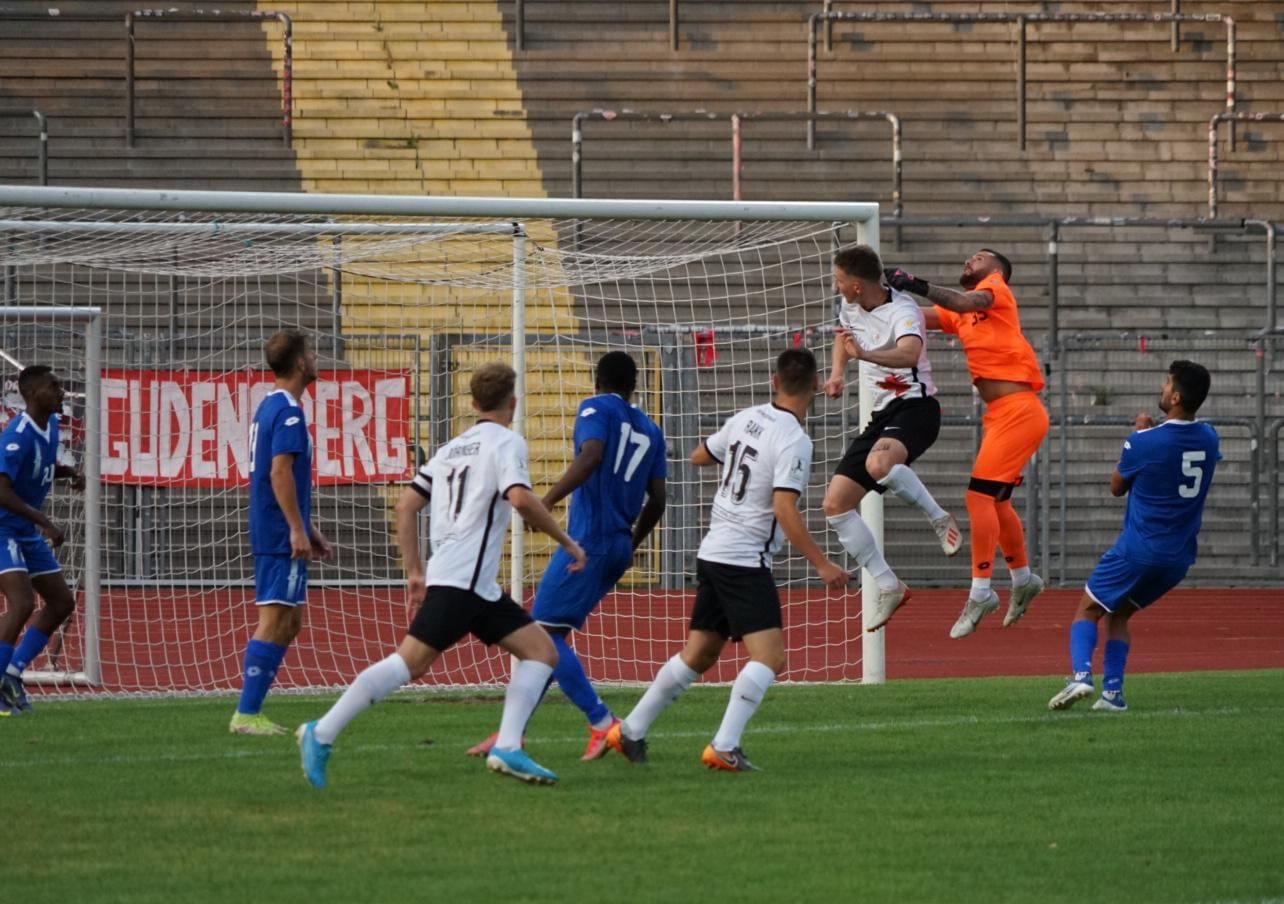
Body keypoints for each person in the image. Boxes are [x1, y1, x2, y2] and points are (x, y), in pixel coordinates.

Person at [296, 362, 587, 788]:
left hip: (474, 585)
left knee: (542, 652)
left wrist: (416, 570)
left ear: (473, 403)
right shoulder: (507, 442)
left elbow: (406, 506)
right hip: (462, 582)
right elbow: (521, 499)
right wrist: (566, 541)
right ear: (513, 402)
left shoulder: (451, 448)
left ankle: (508, 746)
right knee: (409, 664)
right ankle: (321, 732)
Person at [605, 348, 850, 772]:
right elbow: (784, 509)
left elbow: (701, 455)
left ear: (775, 381)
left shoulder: (746, 417)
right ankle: (724, 746)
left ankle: (629, 730)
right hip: (743, 558)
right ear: (814, 384)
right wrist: (822, 564)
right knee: (770, 658)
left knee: (699, 654)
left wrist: (738, 454)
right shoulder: (794, 440)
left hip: (714, 550)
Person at [466, 351, 666, 761]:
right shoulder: (651, 429)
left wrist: (548, 501)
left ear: (597, 382)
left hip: (589, 539)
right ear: (634, 386)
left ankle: (601, 721)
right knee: (544, 639)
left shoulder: (595, 408)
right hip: (618, 542)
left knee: (540, 636)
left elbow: (591, 455)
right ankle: (511, 734)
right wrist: (632, 544)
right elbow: (659, 499)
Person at [884, 249, 1048, 638]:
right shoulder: (963, 312)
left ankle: (981, 592)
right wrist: (876, 302)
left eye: (978, 257)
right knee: (997, 501)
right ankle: (1023, 579)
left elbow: (964, 301)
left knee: (977, 498)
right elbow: (918, 317)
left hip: (1019, 410)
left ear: (997, 268)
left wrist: (914, 283)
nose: (969, 261)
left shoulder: (995, 289)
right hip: (1002, 414)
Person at [1048, 361, 1219, 713]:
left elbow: (1116, 487)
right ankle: (1113, 695)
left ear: (1175, 397)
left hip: (1139, 548)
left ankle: (1081, 676)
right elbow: (1178, 454)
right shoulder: (1209, 437)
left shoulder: (1143, 440)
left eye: (1167, 383)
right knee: (1119, 615)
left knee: (1088, 609)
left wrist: (1138, 433)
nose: (1161, 388)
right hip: (1178, 557)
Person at [821, 245, 962, 634]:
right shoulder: (850, 304)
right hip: (883, 415)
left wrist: (865, 354)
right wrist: (837, 374)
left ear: (856, 285)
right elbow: (844, 338)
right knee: (835, 505)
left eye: (838, 280)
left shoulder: (903, 310)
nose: (835, 286)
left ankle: (939, 518)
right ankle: (889, 585)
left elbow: (909, 353)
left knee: (879, 464)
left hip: (916, 408)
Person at [229, 330, 333, 736]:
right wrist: (294, 529)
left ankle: (251, 711)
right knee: (275, 621)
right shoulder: (289, 411)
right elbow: (279, 472)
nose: (316, 358)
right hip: (277, 532)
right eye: (311, 352)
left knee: (290, 622)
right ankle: (246, 714)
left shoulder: (270, 405)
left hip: (277, 527)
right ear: (301, 363)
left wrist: (308, 527)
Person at [0, 366, 84, 716]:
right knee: (21, 604)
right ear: (32, 394)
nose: (61, 391)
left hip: (24, 530)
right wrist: (45, 523)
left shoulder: (48, 426)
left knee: (61, 602)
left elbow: (40, 467)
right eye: (54, 386)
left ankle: (11, 674)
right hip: (3, 529)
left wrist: (68, 473)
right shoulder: (16, 435)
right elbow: (2, 490)